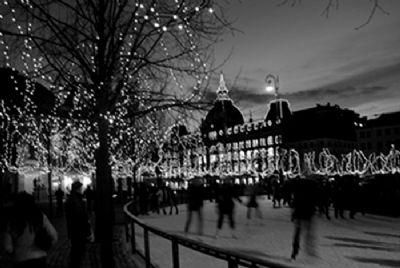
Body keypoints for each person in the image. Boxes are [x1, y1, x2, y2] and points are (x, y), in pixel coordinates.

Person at [3, 192, 58, 268]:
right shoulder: (40, 217)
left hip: (20, 259)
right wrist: (46, 246)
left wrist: (12, 252)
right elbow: (54, 235)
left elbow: (7, 247)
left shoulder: (13, 220)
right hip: (39, 257)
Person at [65, 181, 93, 268]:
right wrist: (87, 230)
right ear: (78, 189)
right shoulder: (77, 201)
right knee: (78, 251)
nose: (83, 189)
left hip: (74, 230)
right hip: (79, 230)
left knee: (76, 250)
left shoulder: (72, 200)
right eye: (81, 188)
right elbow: (81, 217)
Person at [290, 177, 318, 260]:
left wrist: (293, 214)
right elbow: (313, 202)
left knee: (298, 232)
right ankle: (309, 248)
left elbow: (294, 203)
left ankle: (295, 250)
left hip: (299, 213)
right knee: (308, 232)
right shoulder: (311, 193)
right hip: (307, 213)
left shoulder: (297, 192)